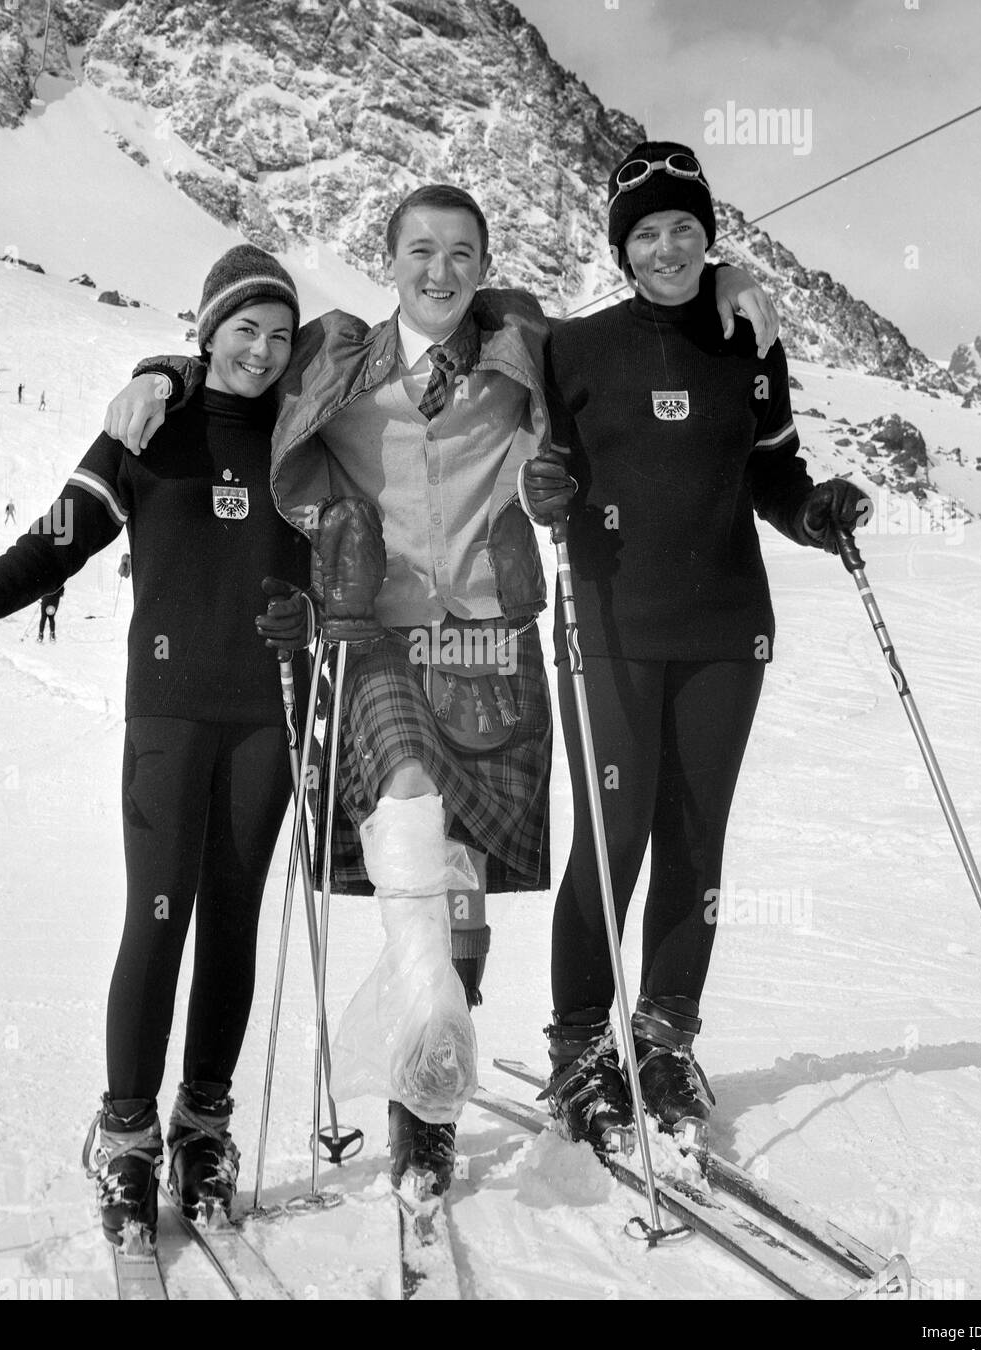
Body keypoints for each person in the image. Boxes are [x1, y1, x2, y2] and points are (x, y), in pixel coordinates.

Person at [103, 184, 778, 1197]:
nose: (442, 269)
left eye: (464, 251)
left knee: (461, 890)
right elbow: (237, 377)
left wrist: (730, 276)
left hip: (492, 650)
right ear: (390, 256)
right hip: (378, 643)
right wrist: (163, 370)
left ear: (487, 264)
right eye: (422, 249)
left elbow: (654, 315)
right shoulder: (334, 358)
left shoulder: (526, 348)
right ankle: (415, 1065)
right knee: (415, 818)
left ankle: (427, 1099)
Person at [0, 245, 312, 1251]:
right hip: (169, 710)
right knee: (159, 916)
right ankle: (125, 1136)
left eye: (279, 335)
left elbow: (345, 547)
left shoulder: (308, 433)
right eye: (242, 330)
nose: (261, 351)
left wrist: (319, 605)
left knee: (235, 926)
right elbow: (63, 535)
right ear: (207, 331)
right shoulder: (149, 427)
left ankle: (202, 1129)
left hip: (269, 716)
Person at [522, 142, 872, 1153]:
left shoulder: (744, 342)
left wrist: (814, 510)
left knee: (695, 839)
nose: (668, 247)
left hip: (726, 627)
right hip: (608, 623)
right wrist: (546, 486)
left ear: (709, 237)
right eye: (647, 233)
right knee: (615, 834)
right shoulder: (573, 348)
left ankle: (665, 1035)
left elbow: (770, 472)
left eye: (686, 229)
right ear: (621, 250)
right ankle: (583, 1044)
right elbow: (537, 449)